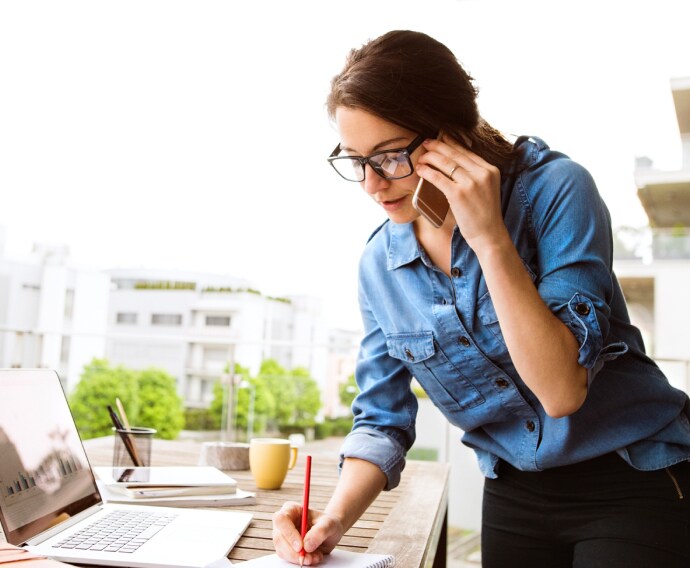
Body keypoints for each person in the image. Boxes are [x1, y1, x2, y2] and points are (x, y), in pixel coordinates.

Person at [272, 30, 690, 567]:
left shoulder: (556, 191)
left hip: (632, 475)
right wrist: (333, 520)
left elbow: (561, 390)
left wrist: (490, 238)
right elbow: (380, 417)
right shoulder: (381, 265)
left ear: (449, 134)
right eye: (356, 161)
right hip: (514, 488)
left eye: (390, 156)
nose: (372, 186)